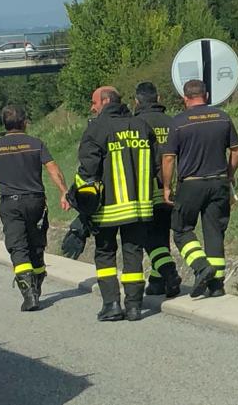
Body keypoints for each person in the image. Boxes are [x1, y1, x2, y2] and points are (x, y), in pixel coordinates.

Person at [72, 85, 157, 322]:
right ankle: (134, 307)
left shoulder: (96, 129)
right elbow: (156, 164)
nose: (92, 107)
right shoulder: (142, 126)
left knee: (105, 255)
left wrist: (75, 196)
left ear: (106, 101)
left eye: (95, 102)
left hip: (107, 207)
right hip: (139, 206)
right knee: (133, 254)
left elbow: (88, 170)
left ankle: (111, 305)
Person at [0, 104, 70, 311]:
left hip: (10, 203)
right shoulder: (36, 143)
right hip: (36, 202)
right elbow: (53, 169)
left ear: (4, 124)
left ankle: (29, 295)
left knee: (18, 247)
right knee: (36, 246)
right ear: (24, 123)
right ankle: (36, 284)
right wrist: (63, 192)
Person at [161, 78, 238, 298]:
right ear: (205, 95)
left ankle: (200, 265)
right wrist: (230, 174)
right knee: (215, 231)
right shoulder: (222, 117)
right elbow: (236, 150)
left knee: (181, 229)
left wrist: (167, 186)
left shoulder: (178, 122)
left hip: (191, 184)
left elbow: (168, 158)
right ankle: (216, 285)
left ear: (185, 98)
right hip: (218, 182)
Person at [132, 81, 182, 298]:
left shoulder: (134, 124)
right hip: (173, 188)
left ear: (136, 101)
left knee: (150, 239)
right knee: (162, 236)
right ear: (159, 99)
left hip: (147, 190)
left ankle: (169, 274)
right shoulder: (173, 122)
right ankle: (156, 281)